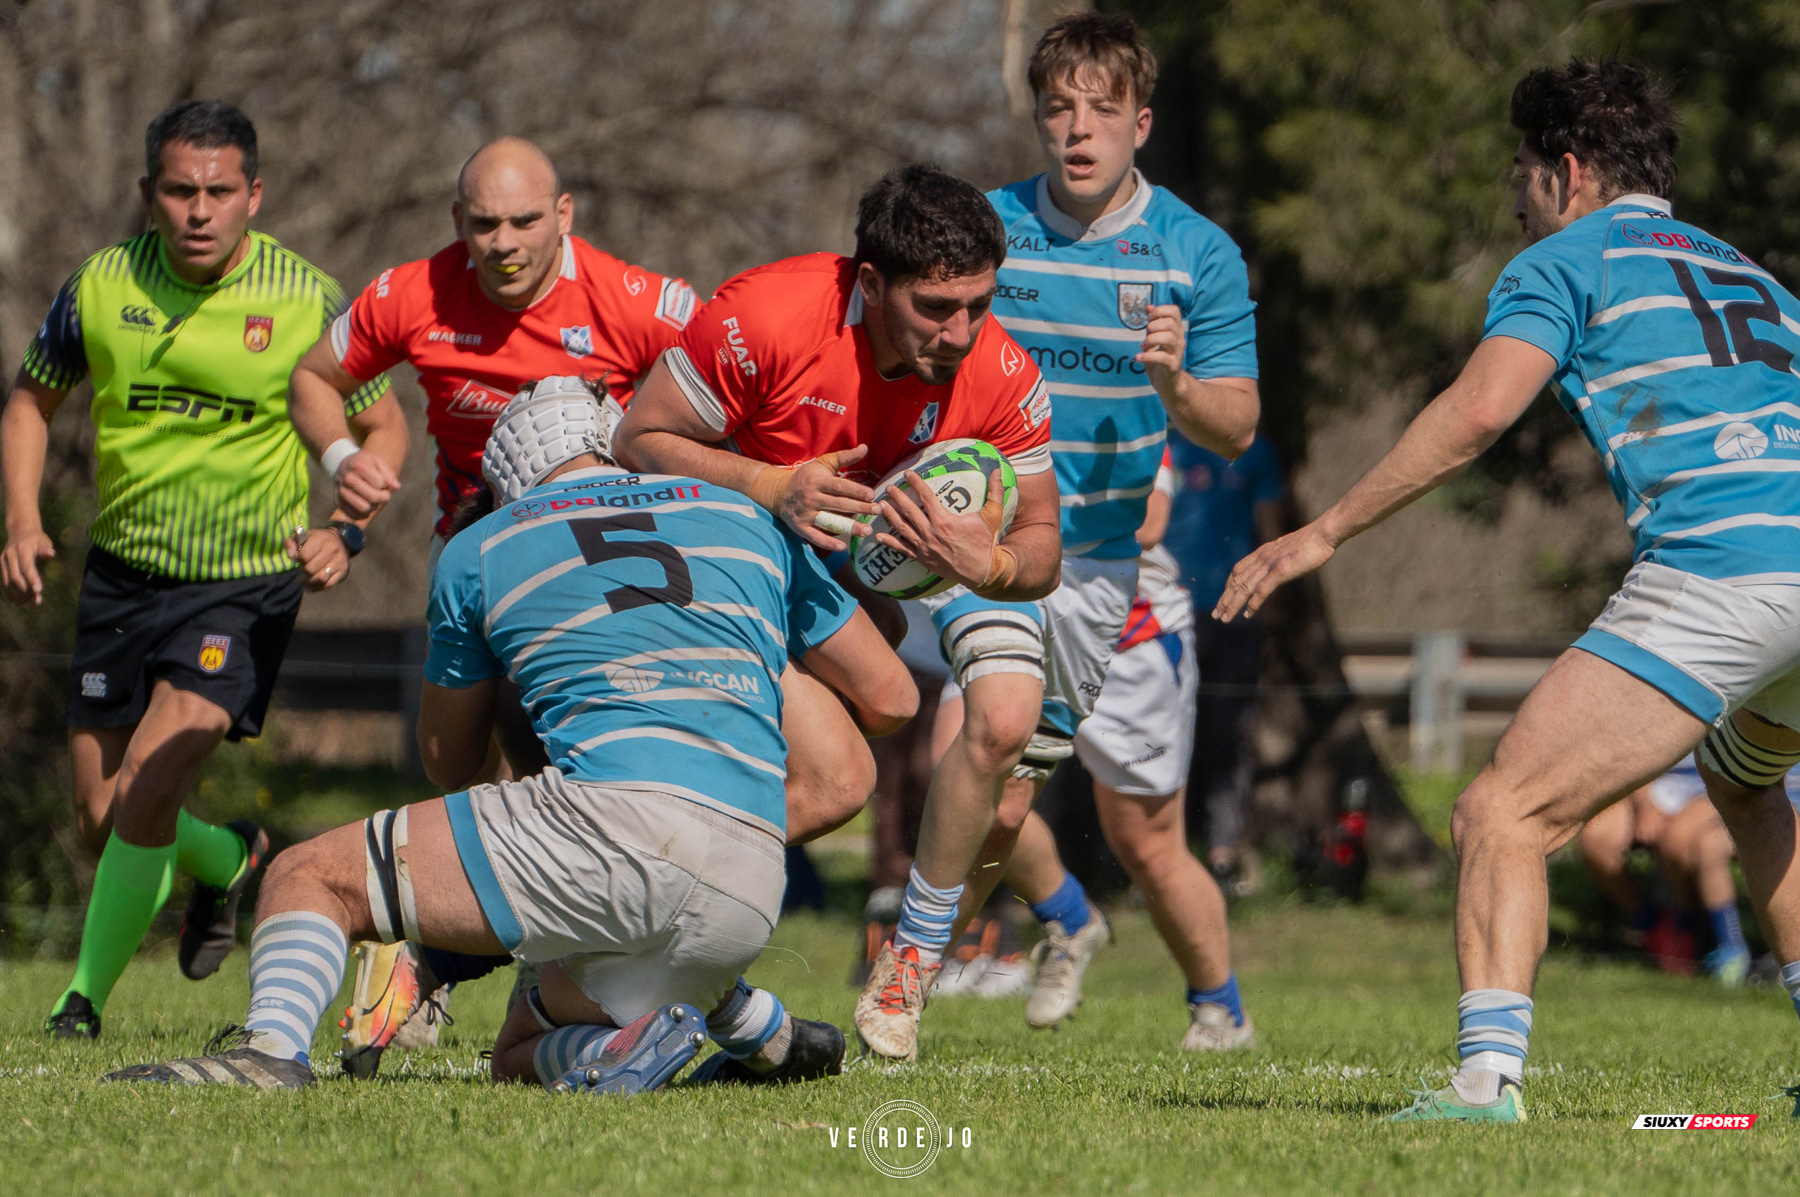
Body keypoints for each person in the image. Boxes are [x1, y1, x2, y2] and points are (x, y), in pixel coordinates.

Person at [1217, 59, 1800, 1123]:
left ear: (1567, 173)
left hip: (1728, 571)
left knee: (1503, 810)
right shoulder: (1751, 274)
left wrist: (1326, 531)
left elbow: (1481, 412)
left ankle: (1485, 1083)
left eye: (1520, 174)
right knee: (1749, 783)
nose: (1517, 196)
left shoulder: (1570, 259)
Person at [101, 378, 916, 1090]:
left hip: (609, 827)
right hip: (751, 871)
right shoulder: (744, 516)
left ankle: (269, 1053)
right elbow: (891, 698)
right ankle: (748, 1027)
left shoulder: (481, 546)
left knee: (306, 876)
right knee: (519, 1046)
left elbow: (450, 761)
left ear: (507, 481)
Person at [842, 12, 1260, 1060]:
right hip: (982, 546)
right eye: (1058, 109)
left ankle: (1173, 976)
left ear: (1141, 124)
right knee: (969, 746)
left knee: (1097, 822)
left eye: (1102, 112)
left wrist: (1174, 387)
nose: (1077, 131)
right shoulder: (981, 232)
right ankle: (913, 979)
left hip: (1107, 567)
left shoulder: (1195, 254)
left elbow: (1239, 423)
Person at [612, 163, 1065, 1062]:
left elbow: (1046, 541)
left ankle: (912, 958)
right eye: (936, 307)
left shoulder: (1002, 372)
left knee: (1008, 717)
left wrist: (995, 560)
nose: (961, 331)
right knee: (870, 726)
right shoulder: (770, 317)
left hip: (941, 549)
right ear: (869, 285)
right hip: (762, 543)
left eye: (978, 303)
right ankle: (627, 891)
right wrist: (772, 482)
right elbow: (637, 438)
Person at [285, 135, 703, 1061]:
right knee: (465, 774)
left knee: (563, 774)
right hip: (477, 561)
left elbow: (735, 386)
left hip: (601, 569)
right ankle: (450, 955)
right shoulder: (413, 293)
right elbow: (313, 378)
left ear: (565, 215)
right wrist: (346, 464)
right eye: (483, 225)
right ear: (456, 224)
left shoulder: (638, 303)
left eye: (523, 221)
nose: (504, 244)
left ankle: (471, 967)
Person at [0, 100, 404, 1040]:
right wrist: (20, 518)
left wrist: (349, 527)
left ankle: (81, 999)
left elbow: (384, 423)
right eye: (179, 190)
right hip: (122, 575)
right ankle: (226, 857)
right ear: (149, 194)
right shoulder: (100, 286)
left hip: (243, 584)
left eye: (220, 192)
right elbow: (31, 401)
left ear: (253, 196)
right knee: (104, 815)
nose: (198, 210)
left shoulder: (305, 298)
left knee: (152, 765)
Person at [937, 452, 1257, 1047]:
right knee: (973, 794)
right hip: (1011, 614)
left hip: (1131, 639)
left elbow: (1151, 520)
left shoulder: (1113, 387)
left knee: (1147, 843)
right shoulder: (999, 392)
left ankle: (1221, 1008)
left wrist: (1027, 523)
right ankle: (1062, 919)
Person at [1162, 429, 1284, 882]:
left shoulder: (1255, 450)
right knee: (1162, 733)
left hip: (1234, 611)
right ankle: (1160, 857)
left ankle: (1222, 855)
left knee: (1227, 733)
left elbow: (1272, 529)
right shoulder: (1160, 443)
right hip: (1163, 611)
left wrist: (1272, 601)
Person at [1577, 761, 1755, 985]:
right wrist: (1644, 801)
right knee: (1596, 840)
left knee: (1675, 840)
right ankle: (1650, 922)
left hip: (1707, 783)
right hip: (1645, 782)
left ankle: (1690, 929)